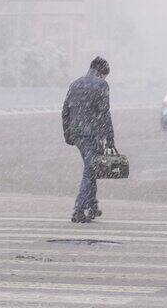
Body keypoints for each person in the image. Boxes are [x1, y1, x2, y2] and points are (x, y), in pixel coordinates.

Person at [62, 57, 114, 223]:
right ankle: (79, 208)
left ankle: (92, 205)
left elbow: (65, 111)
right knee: (89, 170)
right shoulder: (101, 85)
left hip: (77, 134)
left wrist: (68, 134)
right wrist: (110, 138)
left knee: (90, 168)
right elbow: (104, 113)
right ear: (102, 72)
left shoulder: (75, 84)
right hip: (92, 135)